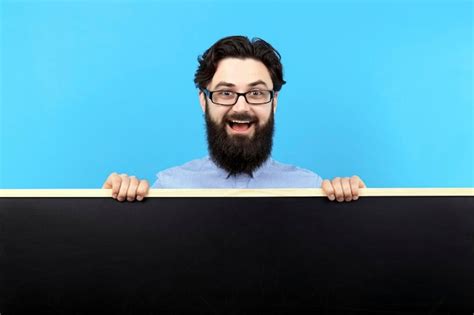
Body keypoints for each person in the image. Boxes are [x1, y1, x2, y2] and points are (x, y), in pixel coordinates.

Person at [102, 36, 366, 202]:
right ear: (203, 101)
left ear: (274, 103)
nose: (241, 106)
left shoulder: (310, 189)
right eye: (226, 92)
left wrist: (358, 204)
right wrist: (107, 206)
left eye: (256, 92)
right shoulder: (169, 189)